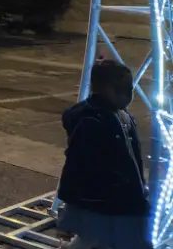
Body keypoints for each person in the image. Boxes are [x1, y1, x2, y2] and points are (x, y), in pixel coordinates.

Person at [57, 59, 150, 249]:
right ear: (108, 90)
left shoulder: (121, 115)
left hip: (123, 198)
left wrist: (140, 185)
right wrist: (69, 209)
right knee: (97, 240)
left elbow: (132, 157)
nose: (131, 95)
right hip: (103, 202)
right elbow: (75, 166)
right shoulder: (92, 122)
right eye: (126, 90)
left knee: (114, 240)